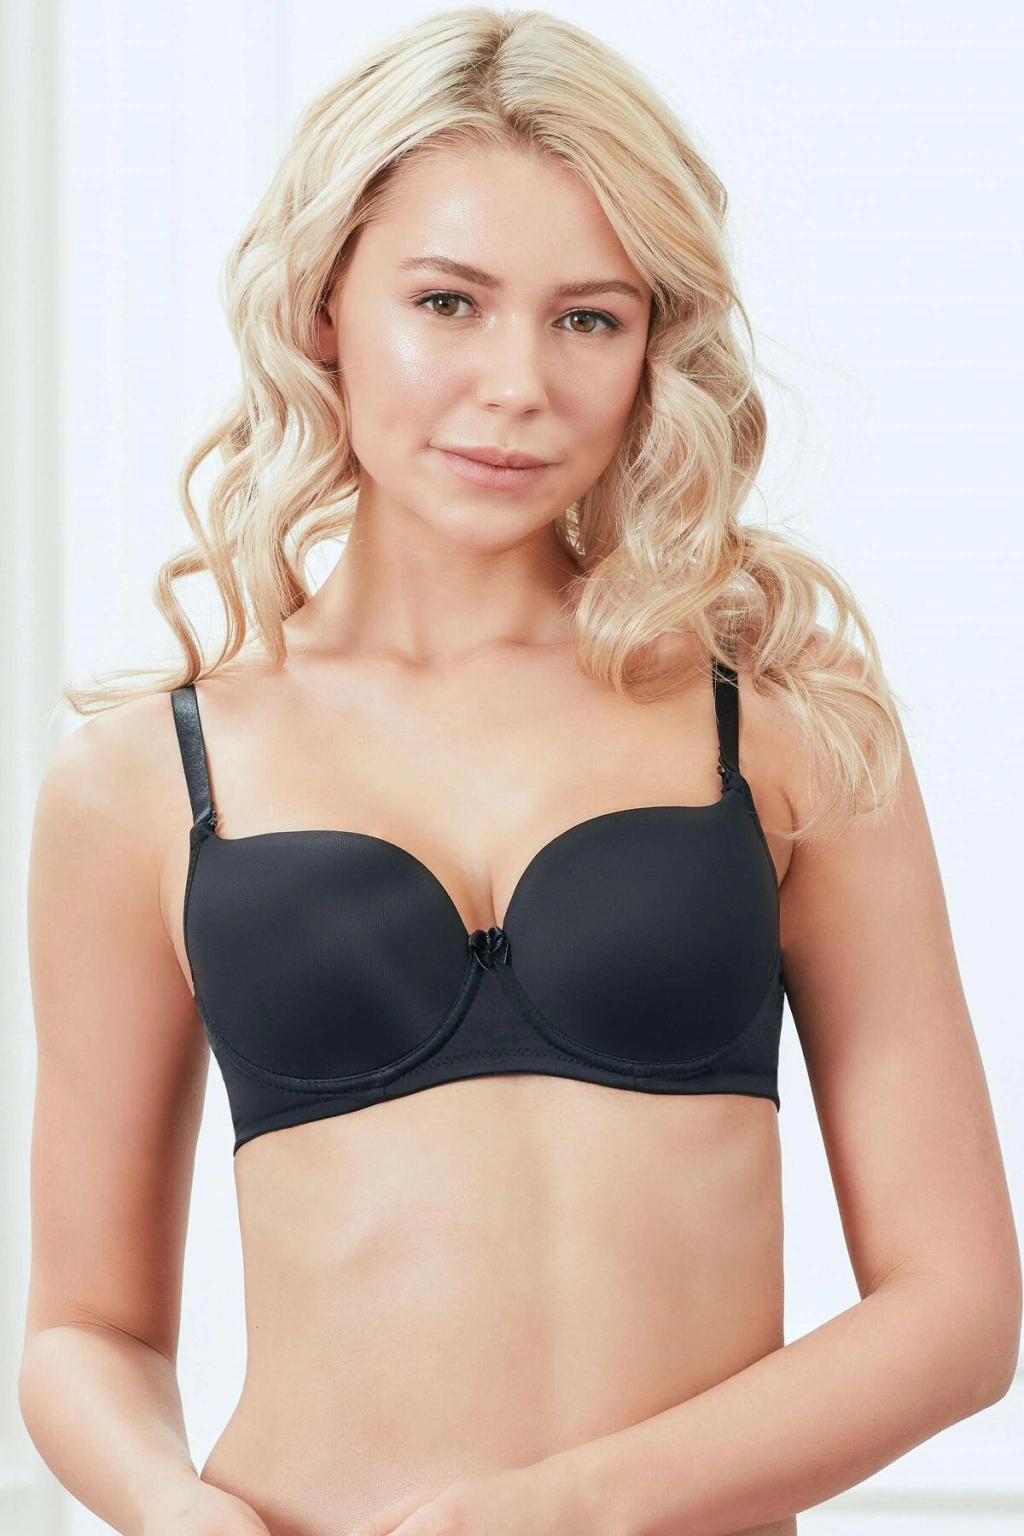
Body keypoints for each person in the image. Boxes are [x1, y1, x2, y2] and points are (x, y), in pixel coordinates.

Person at [18, 8, 1021, 1536]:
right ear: (324, 308)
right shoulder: (143, 782)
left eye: (588, 320)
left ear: (652, 347)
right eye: (448, 302)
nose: (517, 387)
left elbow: (958, 1311)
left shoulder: (784, 728)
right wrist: (176, 1512)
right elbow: (86, 1329)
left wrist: (574, 1507)